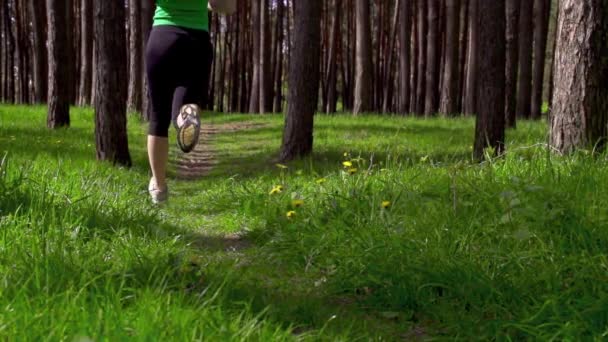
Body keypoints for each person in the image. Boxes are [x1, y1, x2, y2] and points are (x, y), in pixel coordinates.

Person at [146, 0, 233, 204]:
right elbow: (227, 7)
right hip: (196, 43)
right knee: (187, 102)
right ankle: (188, 114)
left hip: (162, 37)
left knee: (158, 117)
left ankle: (159, 187)